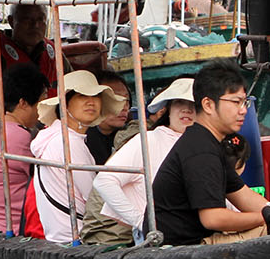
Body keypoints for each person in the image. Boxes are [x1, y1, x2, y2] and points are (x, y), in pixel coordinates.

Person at [151, 62, 270, 246]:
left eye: (244, 102)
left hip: (197, 242)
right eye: (236, 102)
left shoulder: (208, 143)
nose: (243, 110)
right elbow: (213, 218)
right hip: (184, 249)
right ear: (208, 105)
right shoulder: (200, 151)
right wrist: (266, 217)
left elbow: (244, 196)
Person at [86, 77, 196, 242]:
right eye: (180, 102)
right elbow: (104, 180)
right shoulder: (148, 139)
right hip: (156, 238)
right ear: (168, 109)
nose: (186, 110)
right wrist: (141, 221)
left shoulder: (200, 144)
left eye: (193, 105)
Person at [27, 70, 124, 244]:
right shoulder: (69, 142)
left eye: (96, 96)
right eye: (81, 96)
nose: (91, 102)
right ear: (65, 104)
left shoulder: (53, 137)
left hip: (60, 236)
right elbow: (93, 199)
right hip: (78, 238)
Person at [0, 64, 47, 232]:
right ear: (23, 103)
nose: (44, 106)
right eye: (42, 99)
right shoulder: (18, 137)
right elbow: (48, 177)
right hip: (10, 229)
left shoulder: (0, 129)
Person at [0, 2, 58, 95]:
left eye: (40, 19)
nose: (35, 25)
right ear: (11, 21)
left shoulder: (53, 51)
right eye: (27, 19)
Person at [83, 71, 131, 165]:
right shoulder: (83, 139)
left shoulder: (128, 135)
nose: (124, 107)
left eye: (127, 100)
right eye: (116, 99)